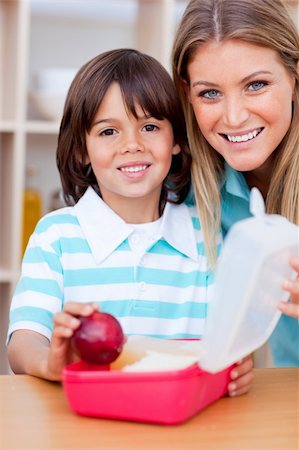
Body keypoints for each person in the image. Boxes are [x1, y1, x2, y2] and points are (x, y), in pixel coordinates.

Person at [7, 48, 253, 393]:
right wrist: (50, 362)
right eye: (109, 132)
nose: (132, 145)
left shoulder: (208, 235)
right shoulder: (56, 237)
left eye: (150, 126)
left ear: (177, 141)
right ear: (82, 149)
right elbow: (23, 345)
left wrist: (238, 364)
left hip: (183, 425)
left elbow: (229, 342)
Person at [172, 0, 299, 366]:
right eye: (210, 93)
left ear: (294, 78)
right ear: (187, 93)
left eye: (256, 85)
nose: (234, 116)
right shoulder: (190, 187)